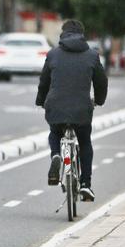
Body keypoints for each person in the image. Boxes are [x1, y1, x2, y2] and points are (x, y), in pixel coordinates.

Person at [35, 19, 107, 202]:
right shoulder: (92, 55)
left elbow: (44, 82)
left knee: (54, 133)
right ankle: (85, 185)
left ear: (63, 34)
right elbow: (101, 82)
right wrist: (99, 100)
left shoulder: (53, 55)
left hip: (56, 107)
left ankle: (56, 154)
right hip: (82, 110)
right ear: (82, 35)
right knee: (84, 142)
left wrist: (40, 101)